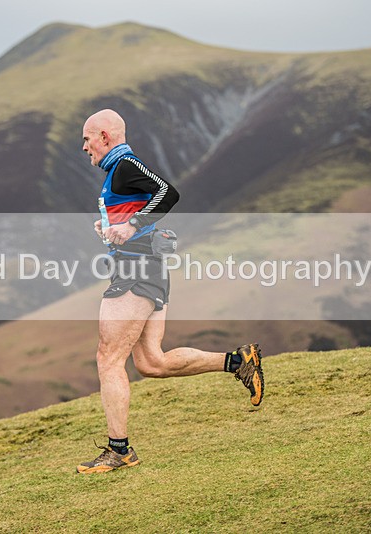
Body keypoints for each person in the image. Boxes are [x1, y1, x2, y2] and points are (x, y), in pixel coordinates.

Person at [76, 109, 264, 474]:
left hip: (137, 271)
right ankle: (240, 362)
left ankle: (119, 451)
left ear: (104, 136)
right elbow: (140, 206)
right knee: (151, 362)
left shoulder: (125, 163)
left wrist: (132, 224)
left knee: (108, 358)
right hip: (147, 269)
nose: (84, 147)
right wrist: (112, 226)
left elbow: (168, 192)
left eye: (86, 139)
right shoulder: (117, 171)